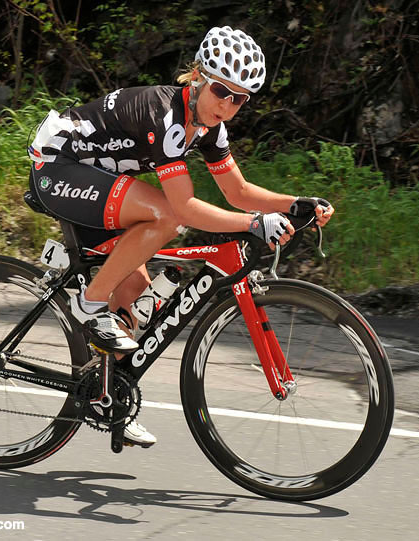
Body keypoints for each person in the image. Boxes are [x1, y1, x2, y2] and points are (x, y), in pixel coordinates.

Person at [28, 26, 334, 447]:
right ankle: (89, 302)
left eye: (239, 98)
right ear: (198, 78)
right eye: (221, 91)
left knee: (134, 289)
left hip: (100, 178)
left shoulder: (207, 125)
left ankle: (104, 396)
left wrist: (292, 204)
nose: (227, 105)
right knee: (167, 216)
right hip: (58, 167)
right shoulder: (166, 116)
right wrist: (251, 224)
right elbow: (186, 208)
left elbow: (237, 192)